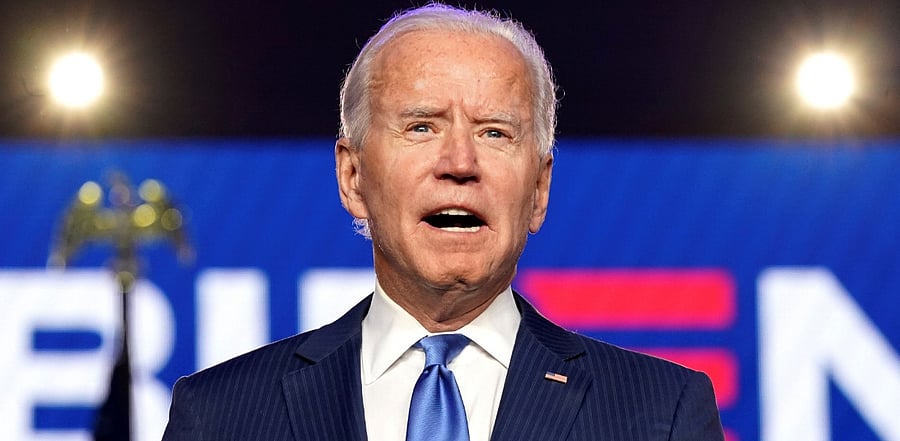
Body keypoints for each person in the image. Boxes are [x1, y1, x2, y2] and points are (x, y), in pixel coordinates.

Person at [162, 4, 725, 440]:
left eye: (495, 132)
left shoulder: (661, 412)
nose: (460, 164)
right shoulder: (219, 414)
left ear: (539, 189)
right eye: (422, 127)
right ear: (353, 177)